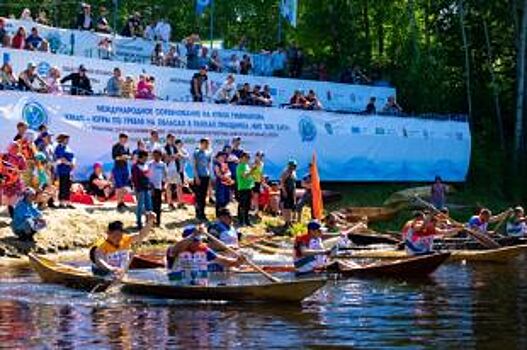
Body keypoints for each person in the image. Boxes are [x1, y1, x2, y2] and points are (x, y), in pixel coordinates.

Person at [165, 224, 244, 285]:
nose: (198, 243)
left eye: (199, 241)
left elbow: (222, 260)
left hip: (198, 285)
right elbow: (176, 248)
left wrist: (237, 262)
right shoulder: (174, 250)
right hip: (179, 285)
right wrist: (193, 235)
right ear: (187, 240)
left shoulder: (203, 249)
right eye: (195, 241)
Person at [90, 213, 156, 277]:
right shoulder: (102, 246)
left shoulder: (126, 239)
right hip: (105, 272)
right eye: (115, 236)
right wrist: (111, 269)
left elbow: (142, 235)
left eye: (120, 236)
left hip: (121, 273)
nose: (117, 239)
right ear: (108, 233)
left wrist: (150, 221)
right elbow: (99, 260)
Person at [192, 138, 212, 222]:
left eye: (208, 143)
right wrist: (196, 177)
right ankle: (198, 214)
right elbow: (194, 166)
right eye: (205, 143)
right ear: (201, 143)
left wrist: (209, 176)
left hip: (205, 176)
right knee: (198, 196)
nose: (207, 145)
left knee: (203, 196)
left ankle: (202, 213)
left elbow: (208, 165)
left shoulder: (208, 153)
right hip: (199, 176)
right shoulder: (196, 153)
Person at [54, 133, 76, 209]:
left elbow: (73, 156)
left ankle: (67, 202)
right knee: (62, 186)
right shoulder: (59, 147)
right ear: (62, 139)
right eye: (66, 139)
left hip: (69, 170)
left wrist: (73, 163)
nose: (68, 140)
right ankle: (61, 202)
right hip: (62, 170)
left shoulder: (68, 147)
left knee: (68, 186)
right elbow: (61, 159)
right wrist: (70, 164)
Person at [112, 133, 131, 211]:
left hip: (125, 167)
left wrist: (128, 157)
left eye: (126, 139)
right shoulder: (115, 146)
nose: (126, 140)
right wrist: (121, 157)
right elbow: (114, 157)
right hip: (118, 168)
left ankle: (122, 202)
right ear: (120, 138)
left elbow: (129, 156)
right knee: (118, 186)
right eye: (124, 138)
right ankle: (118, 203)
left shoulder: (126, 146)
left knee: (124, 186)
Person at [148, 149, 167, 227]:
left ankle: (158, 222)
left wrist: (164, 186)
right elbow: (146, 176)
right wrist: (150, 185)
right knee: (150, 206)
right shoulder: (150, 164)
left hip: (159, 188)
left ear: (161, 156)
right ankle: (150, 223)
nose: (156, 157)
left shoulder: (163, 165)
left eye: (158, 155)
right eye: (154, 155)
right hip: (151, 188)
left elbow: (165, 176)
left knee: (158, 206)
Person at [236, 152, 255, 227]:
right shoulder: (240, 166)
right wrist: (252, 170)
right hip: (243, 188)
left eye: (248, 157)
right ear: (242, 158)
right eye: (246, 157)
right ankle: (241, 221)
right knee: (242, 205)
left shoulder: (246, 165)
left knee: (247, 205)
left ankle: (247, 220)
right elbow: (244, 176)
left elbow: (249, 175)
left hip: (248, 187)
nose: (248, 158)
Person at [213, 151, 233, 216]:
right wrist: (226, 178)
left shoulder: (225, 164)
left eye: (224, 157)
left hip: (226, 184)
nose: (223, 158)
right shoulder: (217, 165)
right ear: (218, 157)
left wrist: (229, 178)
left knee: (226, 198)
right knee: (220, 199)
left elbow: (229, 172)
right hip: (220, 184)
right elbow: (218, 174)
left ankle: (223, 214)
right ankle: (218, 215)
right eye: (222, 157)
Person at [280, 159, 298, 227]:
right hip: (286, 191)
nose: (294, 167)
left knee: (290, 206)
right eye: (293, 166)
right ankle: (286, 222)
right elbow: (282, 182)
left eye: (295, 166)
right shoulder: (285, 172)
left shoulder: (293, 172)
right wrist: (284, 191)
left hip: (291, 191)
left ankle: (289, 221)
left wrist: (294, 193)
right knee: (286, 207)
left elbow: (294, 184)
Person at [251, 151, 264, 217]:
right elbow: (250, 173)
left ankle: (256, 210)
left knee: (256, 197)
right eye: (259, 156)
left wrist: (262, 183)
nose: (260, 157)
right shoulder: (253, 164)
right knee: (254, 197)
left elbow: (261, 174)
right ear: (256, 156)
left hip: (258, 182)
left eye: (262, 156)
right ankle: (255, 210)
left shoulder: (262, 164)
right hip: (253, 182)